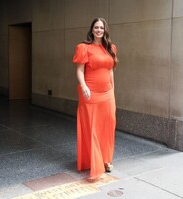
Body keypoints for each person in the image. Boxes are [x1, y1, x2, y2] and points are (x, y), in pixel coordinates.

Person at [72, 17, 118, 181]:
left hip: (108, 93)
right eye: (96, 27)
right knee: (93, 127)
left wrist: (113, 90)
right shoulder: (84, 48)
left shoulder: (111, 48)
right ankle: (96, 162)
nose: (99, 30)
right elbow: (79, 70)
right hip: (90, 93)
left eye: (102, 27)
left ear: (105, 30)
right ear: (92, 30)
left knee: (108, 125)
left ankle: (106, 159)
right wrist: (84, 86)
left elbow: (110, 70)